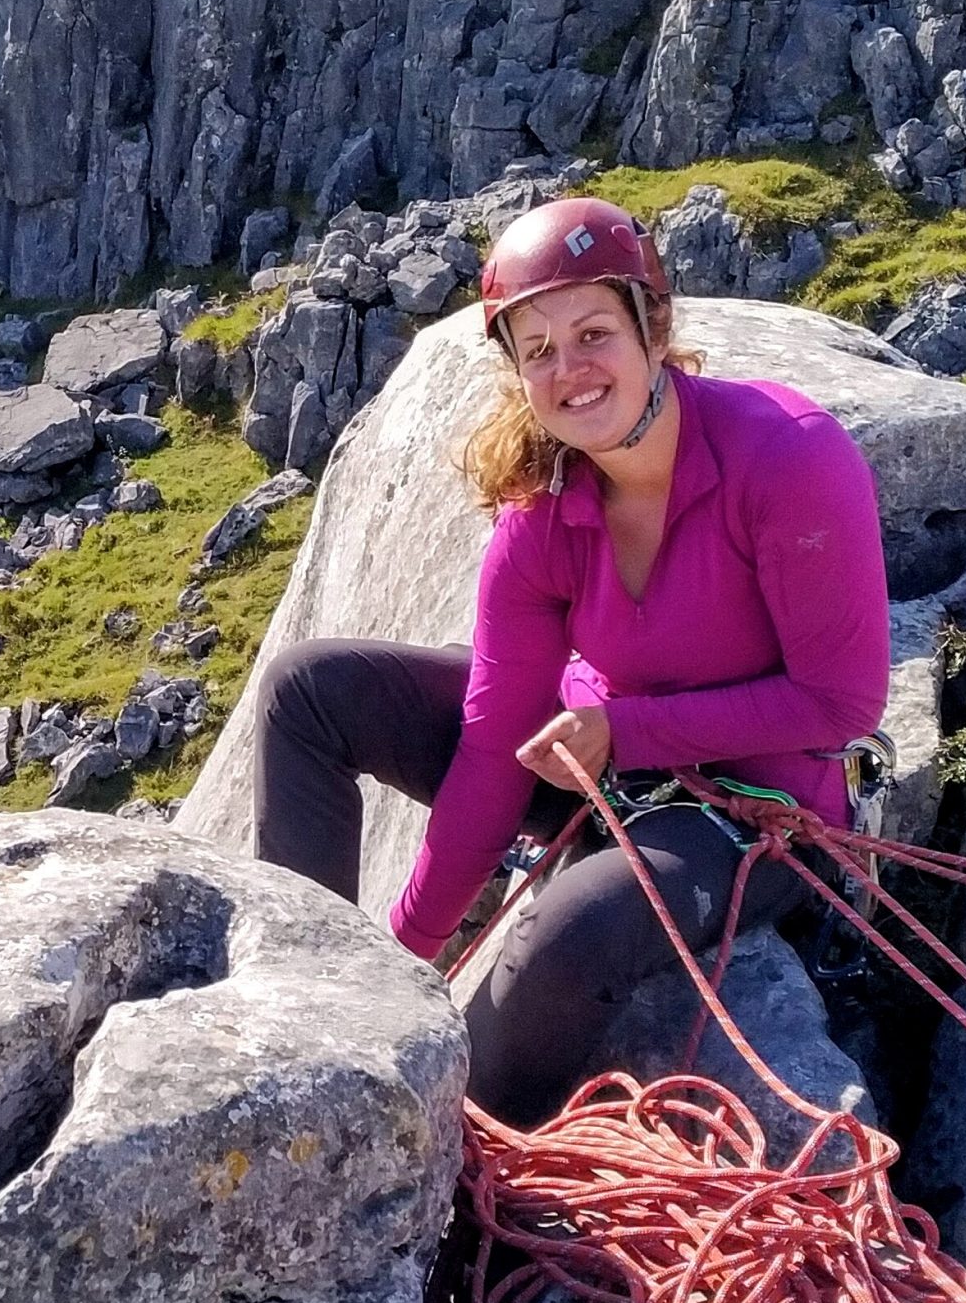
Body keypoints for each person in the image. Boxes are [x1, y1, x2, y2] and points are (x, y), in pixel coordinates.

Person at [252, 194, 892, 1129]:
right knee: (312, 691)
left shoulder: (786, 459)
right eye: (539, 350)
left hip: (761, 812)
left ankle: (423, 1150)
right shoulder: (543, 512)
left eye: (593, 332)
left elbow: (839, 700)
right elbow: (492, 740)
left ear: (654, 325)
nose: (570, 371)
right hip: (598, 770)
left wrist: (626, 730)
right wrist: (398, 960)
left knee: (570, 931)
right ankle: (304, 1024)